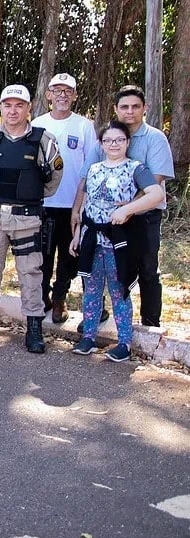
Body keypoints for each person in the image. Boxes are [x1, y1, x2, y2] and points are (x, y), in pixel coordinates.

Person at [0, 84, 64, 353]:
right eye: (7, 105)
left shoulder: (43, 140)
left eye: (19, 105)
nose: (13, 110)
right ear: (1, 108)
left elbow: (53, 178)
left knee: (30, 273)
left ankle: (34, 328)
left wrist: (29, 196)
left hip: (27, 219)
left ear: (29, 108)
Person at [74, 85, 174, 328]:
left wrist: (127, 208)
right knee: (97, 266)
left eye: (135, 106)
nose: (130, 112)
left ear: (144, 108)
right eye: (124, 107)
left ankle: (150, 324)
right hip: (106, 221)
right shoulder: (107, 137)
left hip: (144, 216)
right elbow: (87, 179)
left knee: (147, 268)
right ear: (116, 109)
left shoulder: (155, 138)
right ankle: (94, 317)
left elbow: (156, 182)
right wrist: (76, 213)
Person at [69, 121, 166, 362]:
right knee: (91, 288)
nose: (114, 144)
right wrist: (77, 234)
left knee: (119, 288)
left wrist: (129, 209)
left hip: (119, 239)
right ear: (101, 144)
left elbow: (156, 194)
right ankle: (89, 337)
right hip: (92, 237)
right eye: (109, 140)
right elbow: (86, 204)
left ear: (127, 142)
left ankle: (124, 342)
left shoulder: (136, 168)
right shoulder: (93, 169)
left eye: (119, 140)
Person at [29, 72, 98, 324]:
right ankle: (43, 296)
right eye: (57, 90)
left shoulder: (84, 126)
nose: (62, 95)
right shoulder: (37, 124)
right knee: (43, 255)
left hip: (72, 204)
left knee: (70, 256)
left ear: (75, 96)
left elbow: (92, 166)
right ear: (48, 95)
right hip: (44, 203)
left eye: (68, 91)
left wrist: (84, 204)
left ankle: (60, 298)